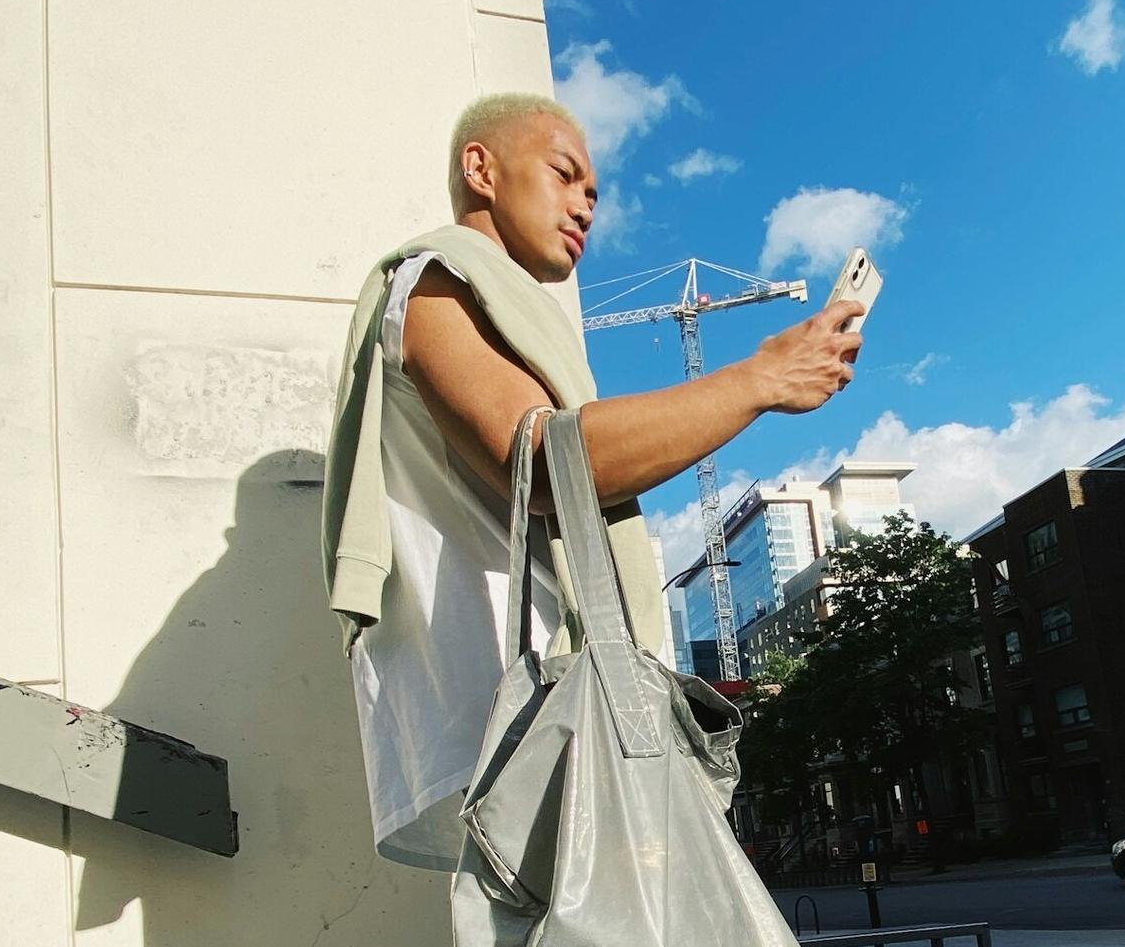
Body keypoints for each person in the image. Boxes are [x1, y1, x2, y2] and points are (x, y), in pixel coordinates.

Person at [322, 91, 864, 872]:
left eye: (595, 193)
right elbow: (543, 463)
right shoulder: (434, 281)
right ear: (482, 167)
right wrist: (760, 379)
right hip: (535, 728)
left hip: (568, 720)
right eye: (566, 174)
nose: (586, 205)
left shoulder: (502, 305)